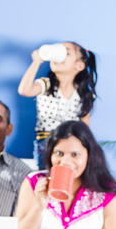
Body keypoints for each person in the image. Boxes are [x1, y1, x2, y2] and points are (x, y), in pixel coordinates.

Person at [15, 120, 116, 229]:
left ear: (89, 156)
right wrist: (39, 206)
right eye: (59, 153)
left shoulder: (108, 195)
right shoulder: (34, 182)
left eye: (75, 154)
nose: (65, 161)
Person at [18, 41, 97, 170]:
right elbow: (24, 90)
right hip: (47, 142)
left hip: (71, 144)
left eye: (67, 52)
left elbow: (85, 126)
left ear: (79, 65)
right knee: (45, 177)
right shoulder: (46, 85)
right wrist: (37, 61)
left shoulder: (83, 94)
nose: (59, 55)